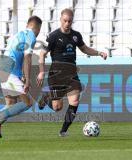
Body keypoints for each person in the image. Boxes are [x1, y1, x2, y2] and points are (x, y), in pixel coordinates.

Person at [36, 8, 107, 137]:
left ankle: (63, 131)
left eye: (69, 21)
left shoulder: (76, 36)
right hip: (56, 74)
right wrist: (41, 72)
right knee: (57, 107)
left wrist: (98, 53)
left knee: (74, 101)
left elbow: (84, 49)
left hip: (71, 73)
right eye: (65, 21)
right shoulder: (53, 36)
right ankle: (46, 98)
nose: (67, 23)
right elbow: (42, 54)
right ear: (60, 20)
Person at [0, 16, 42, 141]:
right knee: (27, 102)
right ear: (37, 28)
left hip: (3, 70)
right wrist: (27, 78)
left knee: (10, 104)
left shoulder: (18, 34)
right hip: (10, 72)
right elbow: (27, 58)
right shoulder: (31, 36)